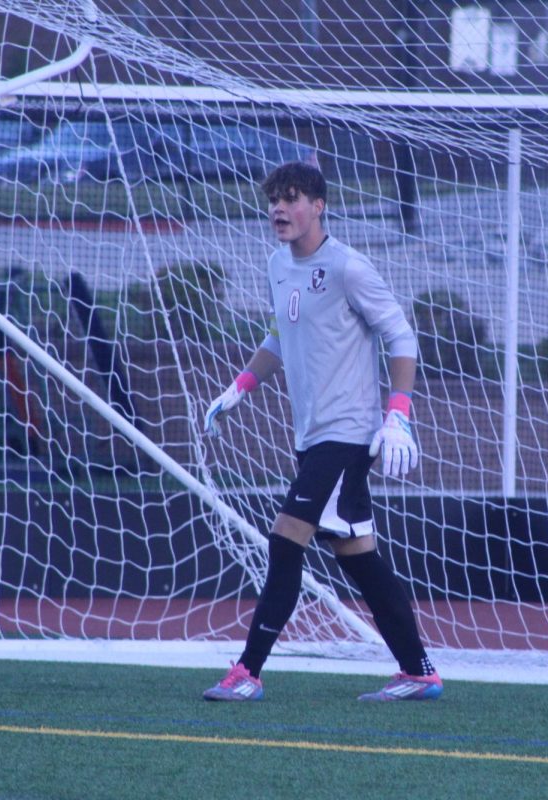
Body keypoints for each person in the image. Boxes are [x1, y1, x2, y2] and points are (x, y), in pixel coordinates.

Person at [200, 161, 440, 702]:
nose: (278, 209)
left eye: (291, 198)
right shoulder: (276, 265)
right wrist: (239, 387)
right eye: (273, 200)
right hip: (311, 437)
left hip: (347, 435)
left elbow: (401, 336)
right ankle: (418, 670)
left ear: (318, 205)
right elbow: (280, 336)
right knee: (359, 558)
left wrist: (396, 415)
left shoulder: (348, 267)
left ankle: (247, 672)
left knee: (285, 542)